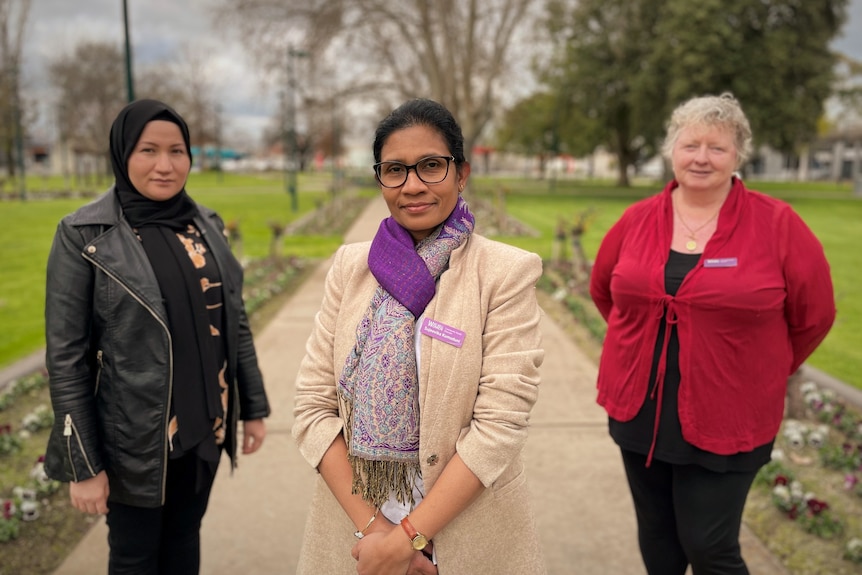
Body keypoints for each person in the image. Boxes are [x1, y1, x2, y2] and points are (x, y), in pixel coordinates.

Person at [291, 98, 546, 575]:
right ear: (380, 178)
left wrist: (411, 538)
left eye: (431, 166)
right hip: (359, 538)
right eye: (395, 170)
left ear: (461, 173)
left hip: (466, 537)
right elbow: (312, 408)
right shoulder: (351, 268)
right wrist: (378, 535)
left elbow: (499, 424)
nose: (412, 185)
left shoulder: (504, 273)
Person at [589, 92, 836, 575]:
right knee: (658, 542)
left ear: (738, 155)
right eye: (690, 144)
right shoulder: (636, 220)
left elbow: (815, 316)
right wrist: (641, 345)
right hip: (641, 411)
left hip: (730, 415)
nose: (701, 157)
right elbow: (606, 292)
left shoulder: (778, 224)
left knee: (709, 547)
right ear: (671, 150)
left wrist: (757, 370)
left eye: (717, 147)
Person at [43, 99, 270, 574]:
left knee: (186, 540)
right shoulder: (84, 233)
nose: (165, 165)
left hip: (205, 424)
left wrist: (253, 407)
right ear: (123, 154)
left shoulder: (205, 224)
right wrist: (83, 465)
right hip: (136, 441)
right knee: (135, 557)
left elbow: (234, 319)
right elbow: (67, 358)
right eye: (148, 150)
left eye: (177, 150)